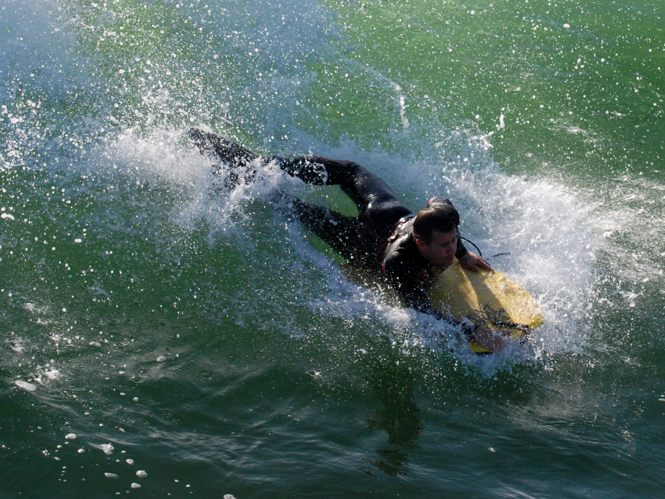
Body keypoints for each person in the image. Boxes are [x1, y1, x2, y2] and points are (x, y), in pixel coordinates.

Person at [188, 128, 502, 349]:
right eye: (444, 246)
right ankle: (250, 167)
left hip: (389, 212)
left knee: (342, 177)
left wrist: (463, 255)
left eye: (453, 241)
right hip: (364, 239)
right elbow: (422, 311)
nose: (450, 249)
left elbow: (437, 201)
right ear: (421, 243)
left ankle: (252, 168)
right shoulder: (398, 262)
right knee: (299, 201)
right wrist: (472, 330)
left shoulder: (445, 217)